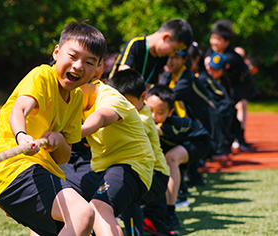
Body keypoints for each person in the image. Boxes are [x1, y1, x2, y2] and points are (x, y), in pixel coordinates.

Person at [0, 22, 107, 236]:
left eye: (89, 62)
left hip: (43, 171)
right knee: (82, 214)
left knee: (67, 228)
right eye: (73, 56)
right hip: (15, 170)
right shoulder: (42, 75)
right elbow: (19, 110)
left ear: (98, 69)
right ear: (57, 52)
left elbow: (63, 157)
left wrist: (59, 141)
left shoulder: (77, 97)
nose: (79, 66)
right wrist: (22, 136)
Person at [62, 76, 155, 236]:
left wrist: (74, 133)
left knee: (99, 208)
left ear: (85, 82)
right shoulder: (75, 105)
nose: (65, 98)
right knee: (54, 192)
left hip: (133, 167)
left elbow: (101, 117)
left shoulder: (110, 97)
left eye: (68, 91)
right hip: (101, 171)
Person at [108, 69, 172, 236]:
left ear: (143, 97)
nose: (121, 107)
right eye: (118, 101)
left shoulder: (141, 118)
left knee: (127, 196)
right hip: (145, 172)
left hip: (156, 175)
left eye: (127, 103)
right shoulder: (130, 111)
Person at [145, 84, 211, 231]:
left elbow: (153, 130)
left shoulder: (169, 124)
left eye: (160, 112)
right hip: (179, 142)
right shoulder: (148, 118)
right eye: (149, 110)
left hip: (198, 142)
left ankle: (170, 210)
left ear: (170, 112)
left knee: (171, 158)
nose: (154, 116)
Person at [205, 20, 257, 151]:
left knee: (240, 105)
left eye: (218, 39)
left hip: (240, 85)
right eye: (213, 38)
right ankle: (230, 138)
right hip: (224, 87)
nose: (214, 42)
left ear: (226, 42)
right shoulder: (211, 51)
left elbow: (216, 67)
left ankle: (239, 138)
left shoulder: (231, 56)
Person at [109, 19, 193, 89]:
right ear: (165, 37)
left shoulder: (162, 58)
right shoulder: (136, 44)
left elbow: (152, 85)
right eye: (174, 49)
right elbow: (124, 73)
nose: (172, 54)